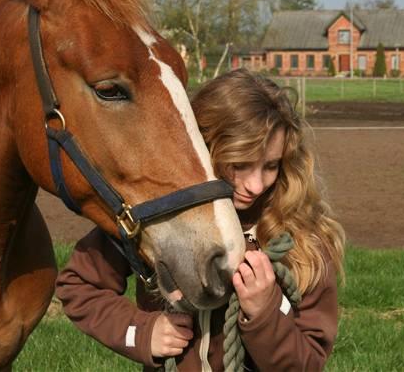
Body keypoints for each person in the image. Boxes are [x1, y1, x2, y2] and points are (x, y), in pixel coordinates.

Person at [56, 69, 345, 371]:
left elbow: (308, 364)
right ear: (203, 147)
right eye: (239, 164)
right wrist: (142, 333)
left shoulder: (302, 242)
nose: (256, 185)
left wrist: (265, 314)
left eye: (271, 165)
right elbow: (78, 285)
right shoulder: (159, 215)